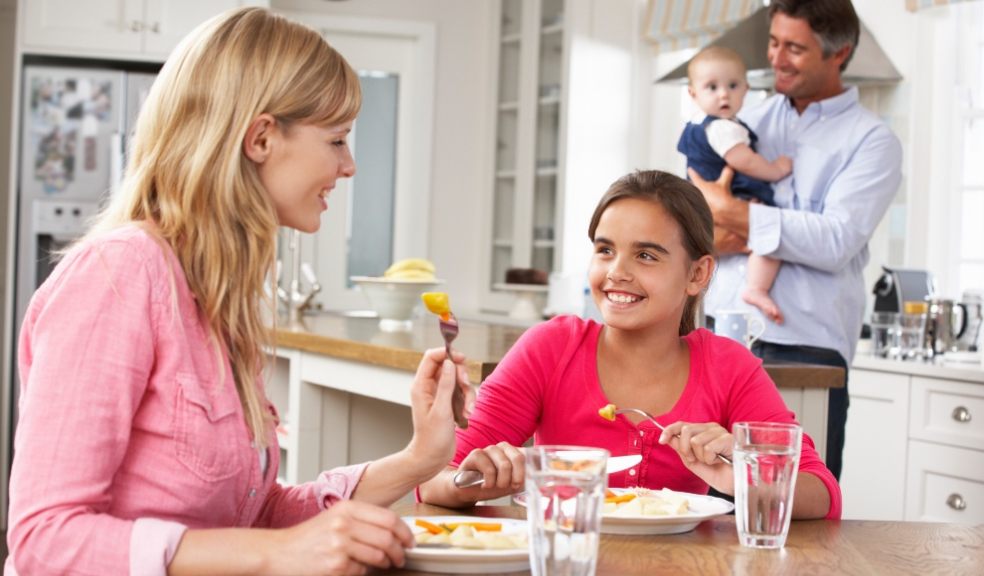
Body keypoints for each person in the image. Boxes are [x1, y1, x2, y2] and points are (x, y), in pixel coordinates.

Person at [6, 8, 474, 576]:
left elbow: (251, 520)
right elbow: (44, 541)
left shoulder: (216, 296)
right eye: (337, 140)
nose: (348, 166)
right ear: (260, 138)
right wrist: (278, 555)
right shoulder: (119, 273)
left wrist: (418, 459)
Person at [418, 170, 841, 521]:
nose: (616, 272)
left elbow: (822, 494)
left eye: (646, 256)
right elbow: (433, 478)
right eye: (605, 250)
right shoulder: (551, 347)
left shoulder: (729, 366)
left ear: (698, 274)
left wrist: (747, 475)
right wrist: (472, 479)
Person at [690, 0, 903, 481]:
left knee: (799, 508)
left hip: (806, 346)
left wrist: (732, 215)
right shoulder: (747, 120)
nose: (776, 58)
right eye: (773, 42)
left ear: (838, 53)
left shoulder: (872, 141)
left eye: (794, 48)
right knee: (707, 501)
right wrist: (729, 223)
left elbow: (835, 240)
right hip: (720, 337)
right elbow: (693, 219)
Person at [678, 46, 792, 324]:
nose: (723, 94)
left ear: (746, 89)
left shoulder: (700, 125)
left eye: (732, 85)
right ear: (693, 94)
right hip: (736, 193)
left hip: (705, 205)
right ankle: (756, 288)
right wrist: (775, 170)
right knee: (768, 241)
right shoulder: (721, 127)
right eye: (712, 87)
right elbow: (744, 161)